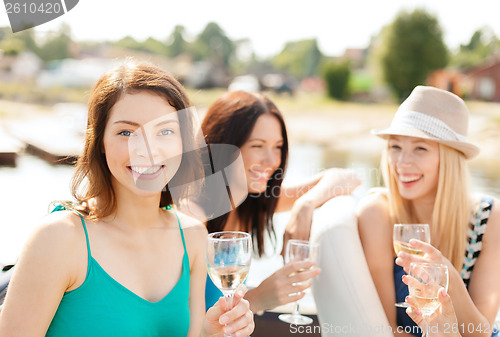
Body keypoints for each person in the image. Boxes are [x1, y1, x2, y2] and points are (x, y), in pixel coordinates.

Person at [0, 60, 254, 337]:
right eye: (126, 132)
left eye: (165, 131)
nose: (147, 149)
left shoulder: (192, 236)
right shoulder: (59, 238)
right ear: (99, 142)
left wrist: (211, 333)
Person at [357, 85, 500, 337]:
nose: (402, 163)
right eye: (395, 147)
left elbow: (480, 333)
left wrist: (450, 279)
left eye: (420, 148)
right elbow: (386, 331)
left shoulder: (488, 218)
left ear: (449, 159)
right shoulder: (378, 214)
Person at [200, 90, 361, 313]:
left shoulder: (254, 200)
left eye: (278, 146)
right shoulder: (191, 218)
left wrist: (305, 206)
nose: (272, 160)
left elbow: (347, 178)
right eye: (257, 146)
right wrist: (257, 299)